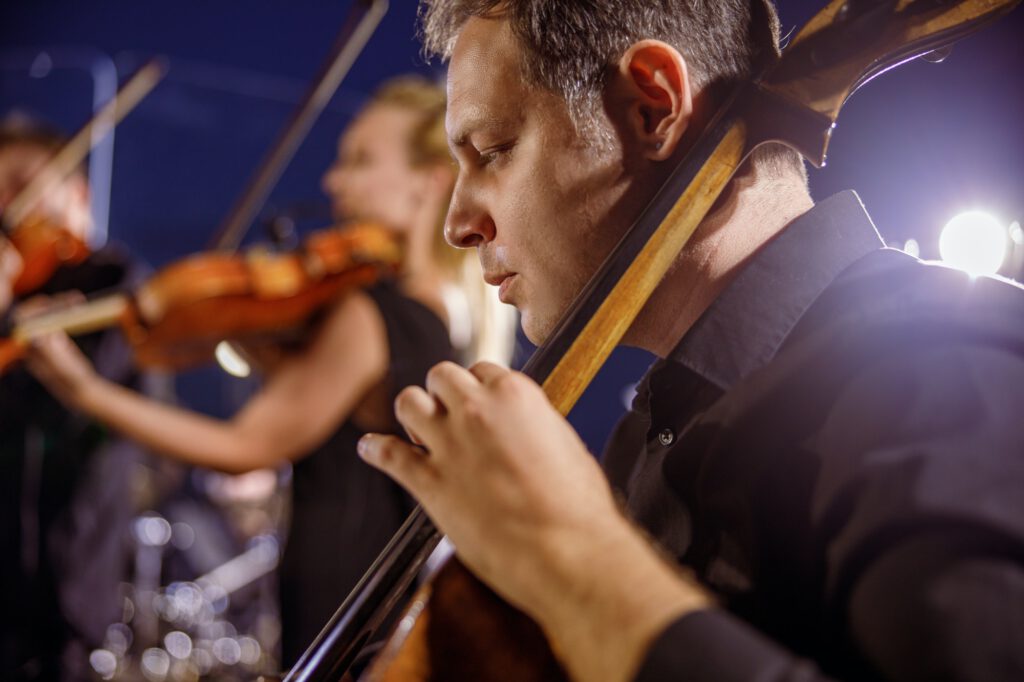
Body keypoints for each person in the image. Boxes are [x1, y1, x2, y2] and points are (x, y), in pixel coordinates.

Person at [355, 2, 1024, 681]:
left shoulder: (944, 366)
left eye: (494, 151)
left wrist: (573, 559)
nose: (459, 225)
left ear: (652, 108)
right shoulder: (646, 436)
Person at [26, 75, 512, 668]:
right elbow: (309, 388)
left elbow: (246, 444)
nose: (334, 181)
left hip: (340, 592)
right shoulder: (445, 315)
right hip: (384, 596)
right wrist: (241, 317)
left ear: (427, 186)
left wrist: (84, 389)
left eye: (359, 161)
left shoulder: (374, 313)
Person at [0, 120, 155, 681]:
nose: (5, 207)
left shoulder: (110, 280)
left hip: (70, 563)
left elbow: (84, 407)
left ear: (78, 194)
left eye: (19, 185)